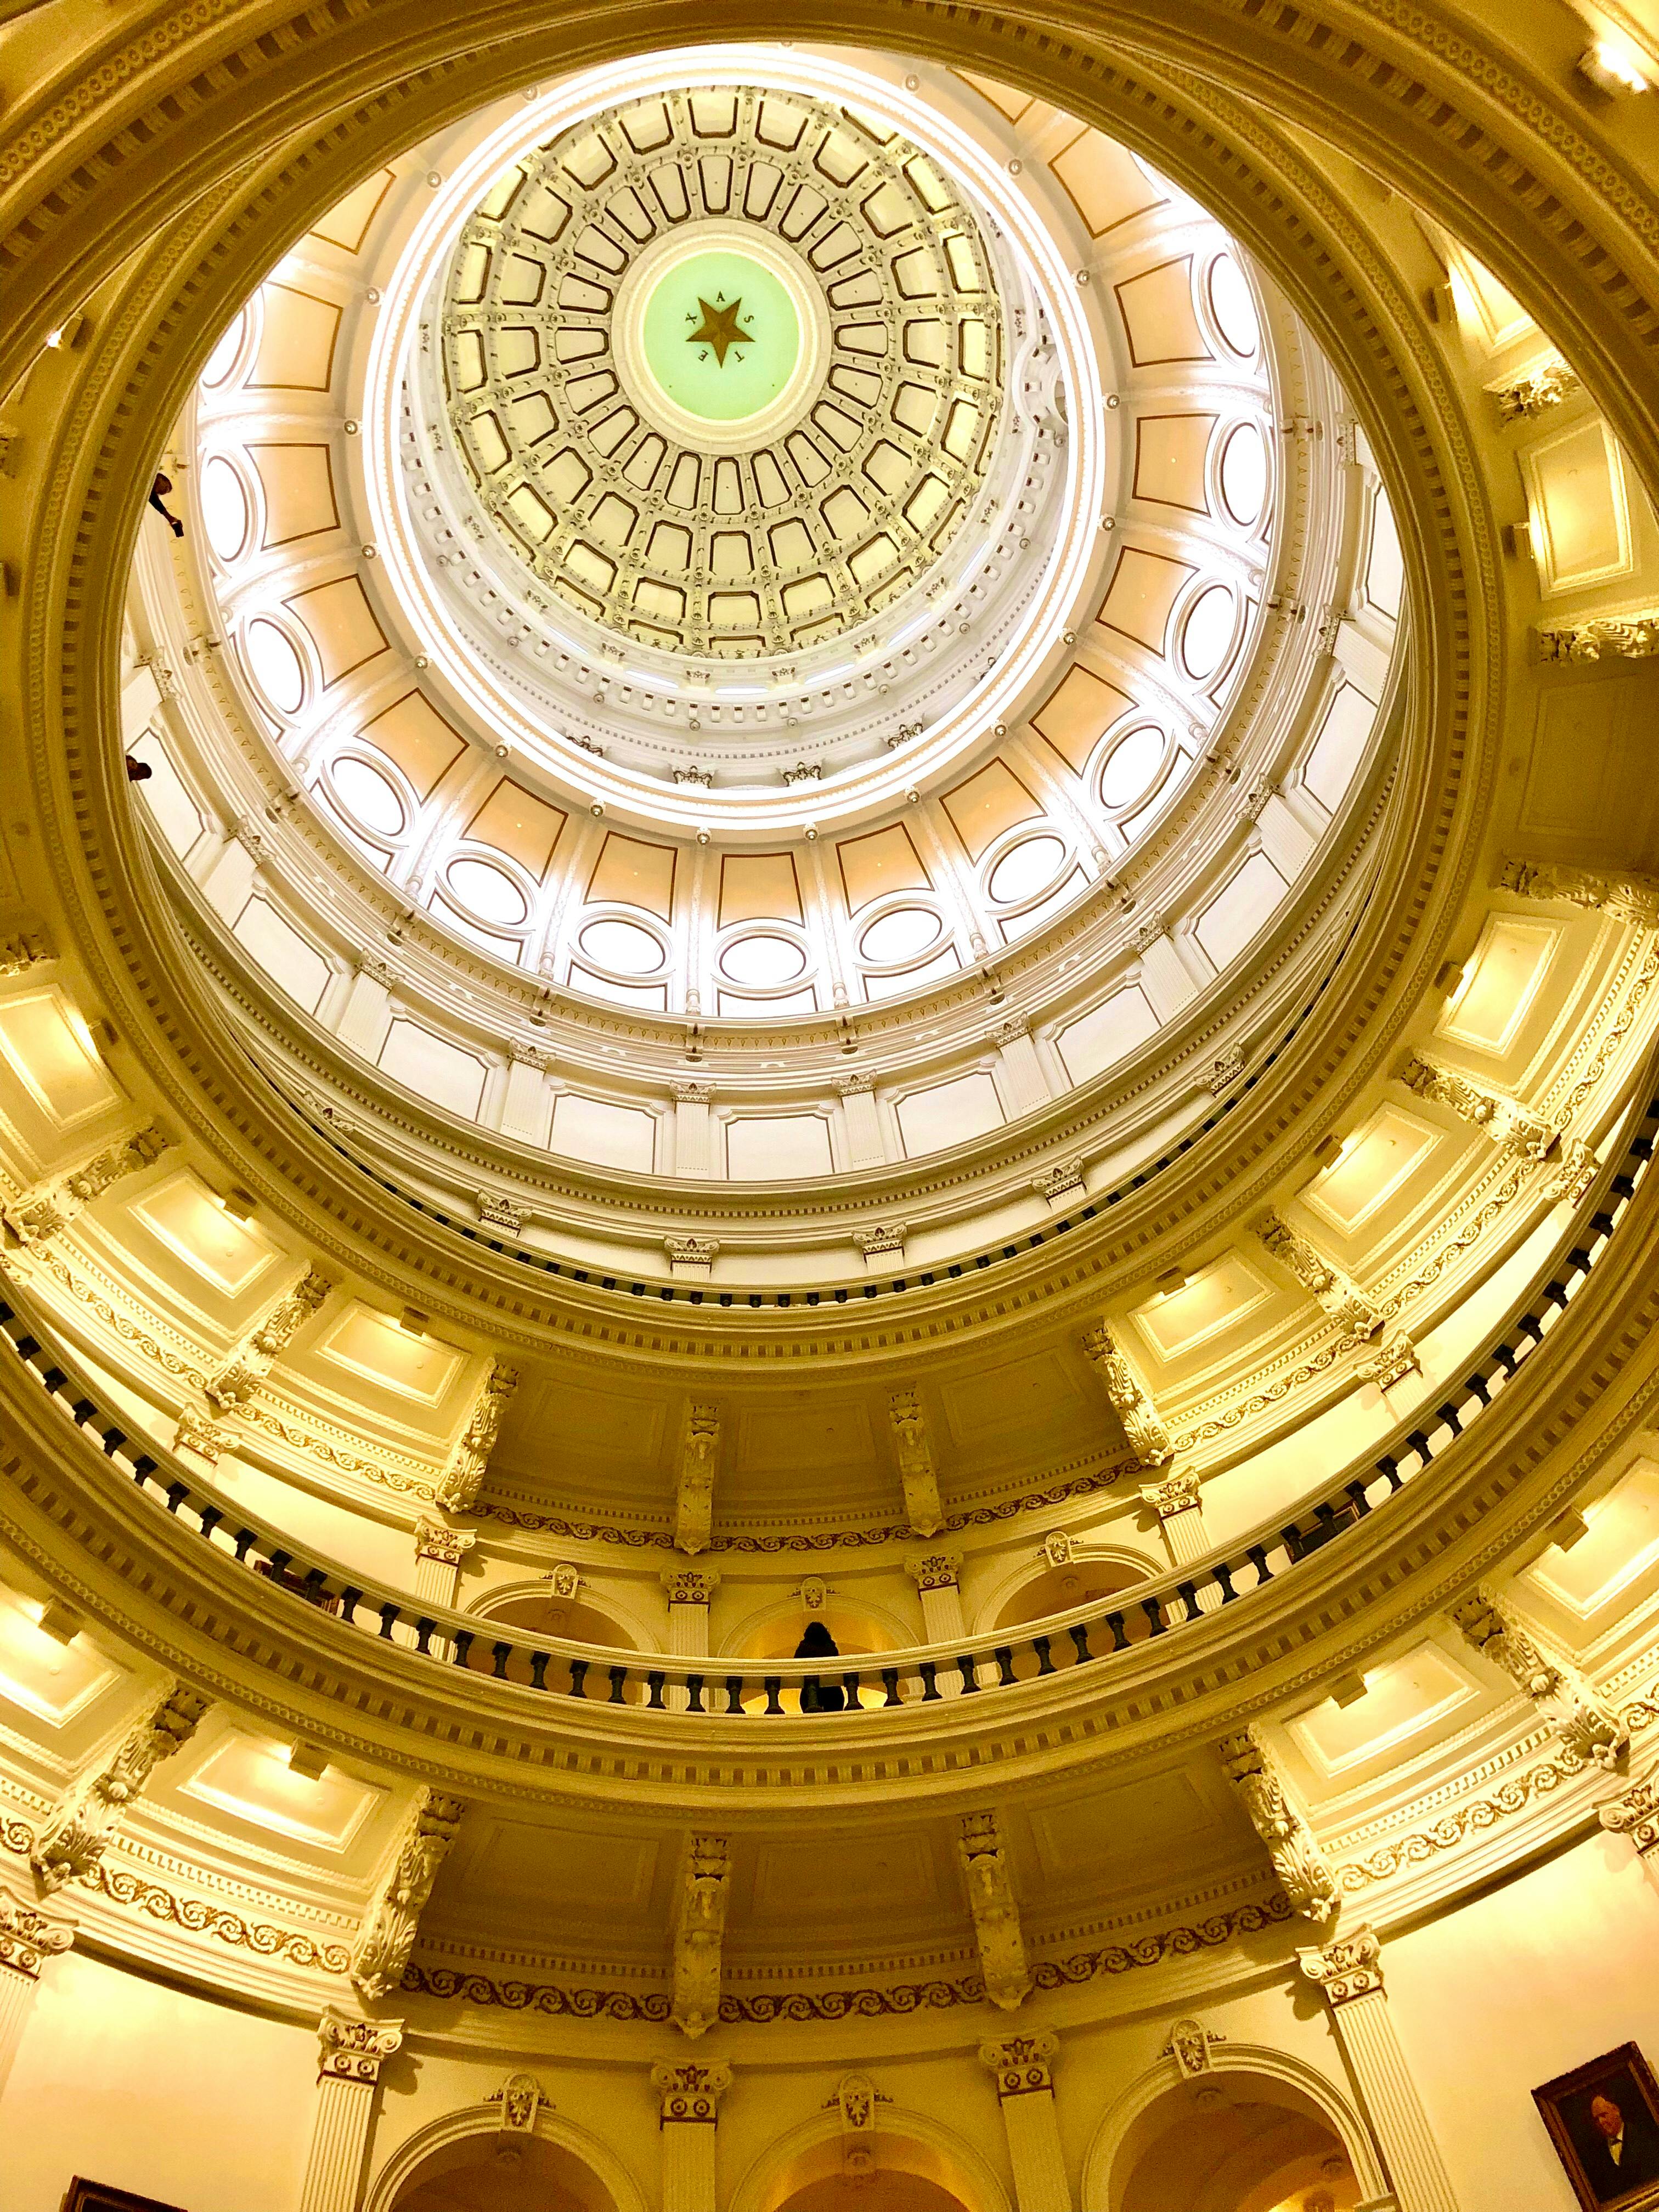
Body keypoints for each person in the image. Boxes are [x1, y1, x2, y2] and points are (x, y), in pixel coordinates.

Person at [1576, 2084, 1659, 2201]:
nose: (1601, 2122)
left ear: (1616, 2110)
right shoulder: (1594, 2156)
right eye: (1596, 2119)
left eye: (1604, 2115)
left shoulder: (1645, 2137)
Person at [794, 1618, 845, 1713]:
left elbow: (796, 1664)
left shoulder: (804, 1647)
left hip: (810, 1692)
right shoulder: (831, 1647)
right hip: (833, 1691)